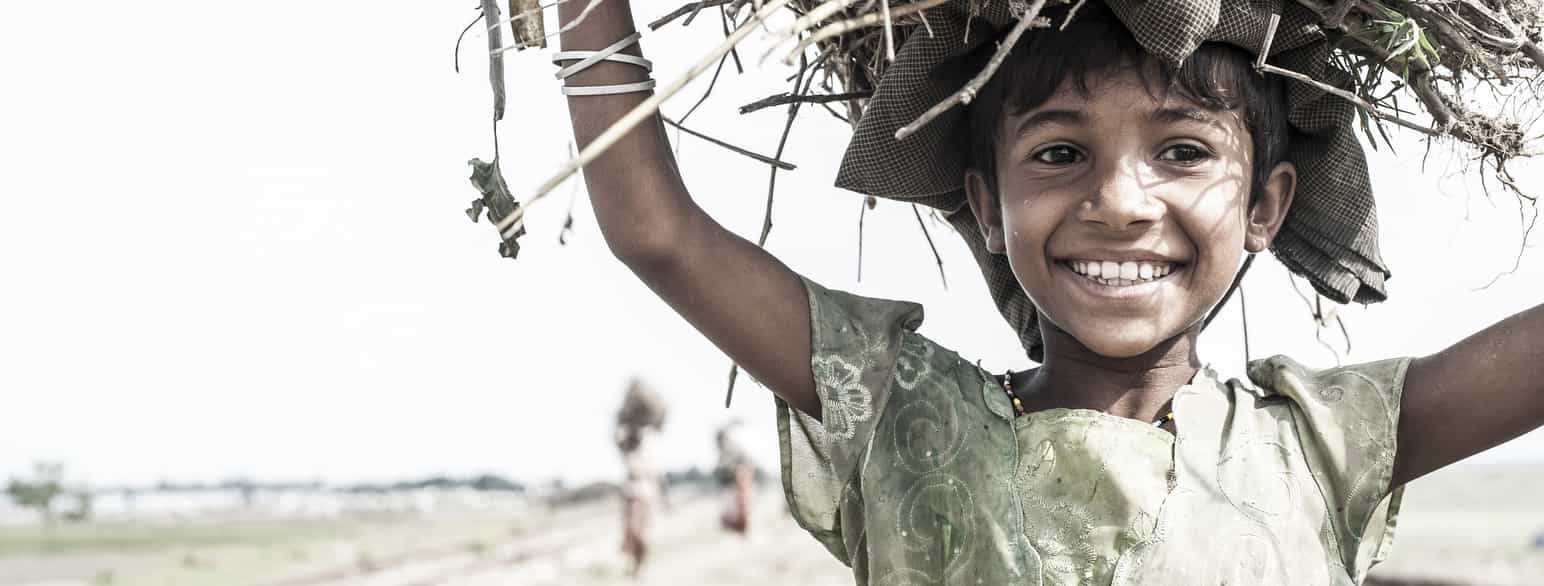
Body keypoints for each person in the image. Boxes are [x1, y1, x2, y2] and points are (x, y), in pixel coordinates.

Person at [545, 1, 1544, 584]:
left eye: (1182, 152)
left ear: (1265, 206)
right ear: (984, 203)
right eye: (1059, 153)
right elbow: (656, 233)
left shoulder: (1316, 451)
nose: (1117, 201)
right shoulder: (895, 411)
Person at [614, 379, 664, 579]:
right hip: (631, 485)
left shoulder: (650, 435)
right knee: (631, 531)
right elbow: (619, 441)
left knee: (642, 532)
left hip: (647, 487)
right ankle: (635, 566)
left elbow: (657, 468)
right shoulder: (626, 435)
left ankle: (640, 567)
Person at [715, 421, 754, 535]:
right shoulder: (726, 452)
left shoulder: (733, 450)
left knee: (740, 509)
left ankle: (742, 531)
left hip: (738, 484)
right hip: (732, 486)